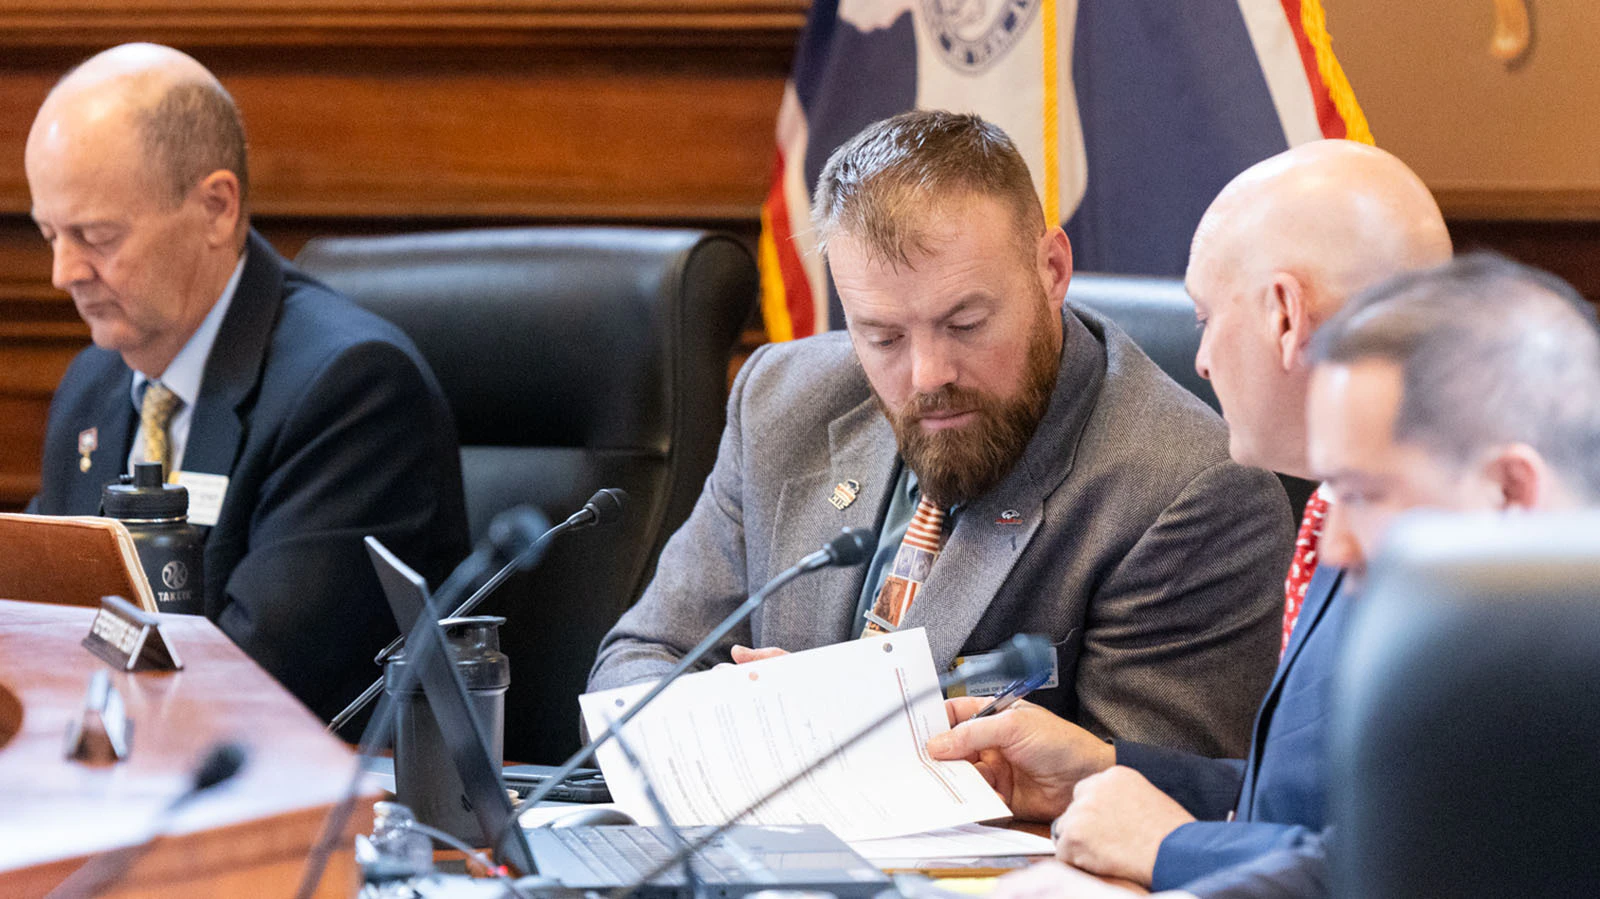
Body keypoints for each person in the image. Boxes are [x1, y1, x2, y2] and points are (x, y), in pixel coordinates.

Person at [589, 110, 1294, 757]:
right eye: (883, 335)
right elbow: (637, 665)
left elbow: (1141, 806)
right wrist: (734, 713)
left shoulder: (1189, 490)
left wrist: (837, 743)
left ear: (1051, 269)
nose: (928, 373)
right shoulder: (780, 399)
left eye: (965, 324)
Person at [962, 252, 1600, 898]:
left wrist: (1174, 850)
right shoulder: (1480, 635)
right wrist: (1109, 769)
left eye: (1365, 494)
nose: (1336, 542)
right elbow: (1352, 847)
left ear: (1510, 488)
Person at [927, 139, 1453, 890]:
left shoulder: (1467, 542)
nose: (1200, 359)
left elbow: (1426, 863)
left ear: (1284, 314)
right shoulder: (1352, 497)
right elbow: (1313, 804)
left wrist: (1175, 846)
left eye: (1207, 317)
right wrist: (1102, 768)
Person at [26, 43, 470, 722]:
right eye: (50, 233)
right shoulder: (94, 386)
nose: (64, 272)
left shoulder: (351, 391)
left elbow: (251, 679)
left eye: (97, 235)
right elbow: (33, 622)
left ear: (216, 207)